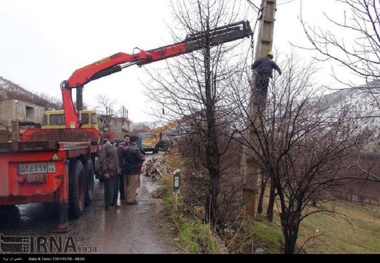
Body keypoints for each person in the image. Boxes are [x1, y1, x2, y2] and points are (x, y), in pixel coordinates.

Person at [99, 131, 120, 210]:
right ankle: (108, 205)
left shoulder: (114, 147)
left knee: (115, 189)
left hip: (115, 171)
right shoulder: (105, 147)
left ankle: (114, 203)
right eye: (111, 137)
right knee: (109, 190)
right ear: (108, 138)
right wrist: (105, 171)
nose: (113, 138)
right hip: (109, 171)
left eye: (114, 137)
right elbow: (102, 160)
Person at [122, 134, 145, 205]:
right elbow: (140, 159)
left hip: (126, 169)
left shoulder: (125, 148)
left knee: (126, 185)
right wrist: (143, 158)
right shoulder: (136, 149)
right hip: (133, 170)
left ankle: (127, 198)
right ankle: (130, 200)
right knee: (132, 186)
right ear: (135, 141)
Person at [117, 134, 130, 201]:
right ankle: (122, 195)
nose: (127, 140)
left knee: (128, 181)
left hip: (128, 167)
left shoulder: (130, 146)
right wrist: (122, 166)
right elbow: (120, 157)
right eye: (126, 139)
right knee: (122, 182)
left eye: (128, 139)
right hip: (123, 167)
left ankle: (127, 194)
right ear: (124, 139)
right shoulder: (121, 147)